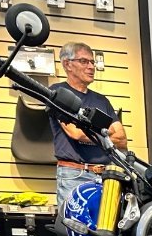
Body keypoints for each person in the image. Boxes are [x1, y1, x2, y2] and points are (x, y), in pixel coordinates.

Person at [50, 41, 127, 209]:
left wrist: (91, 131)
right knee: (73, 224)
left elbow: (121, 139)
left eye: (92, 62)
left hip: (106, 176)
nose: (91, 67)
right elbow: (75, 133)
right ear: (67, 64)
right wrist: (106, 133)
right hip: (74, 174)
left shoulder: (102, 100)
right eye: (84, 61)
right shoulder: (58, 93)